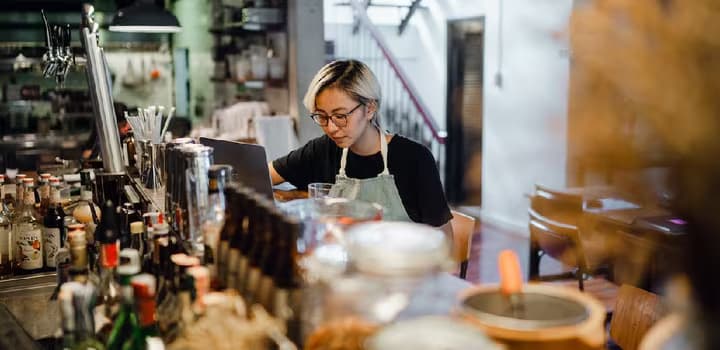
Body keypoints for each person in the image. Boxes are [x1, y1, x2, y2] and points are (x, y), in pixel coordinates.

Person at [268, 60, 453, 237]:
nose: (331, 128)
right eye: (322, 116)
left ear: (370, 108)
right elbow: (262, 174)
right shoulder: (322, 149)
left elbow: (445, 242)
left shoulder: (414, 159)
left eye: (340, 116)